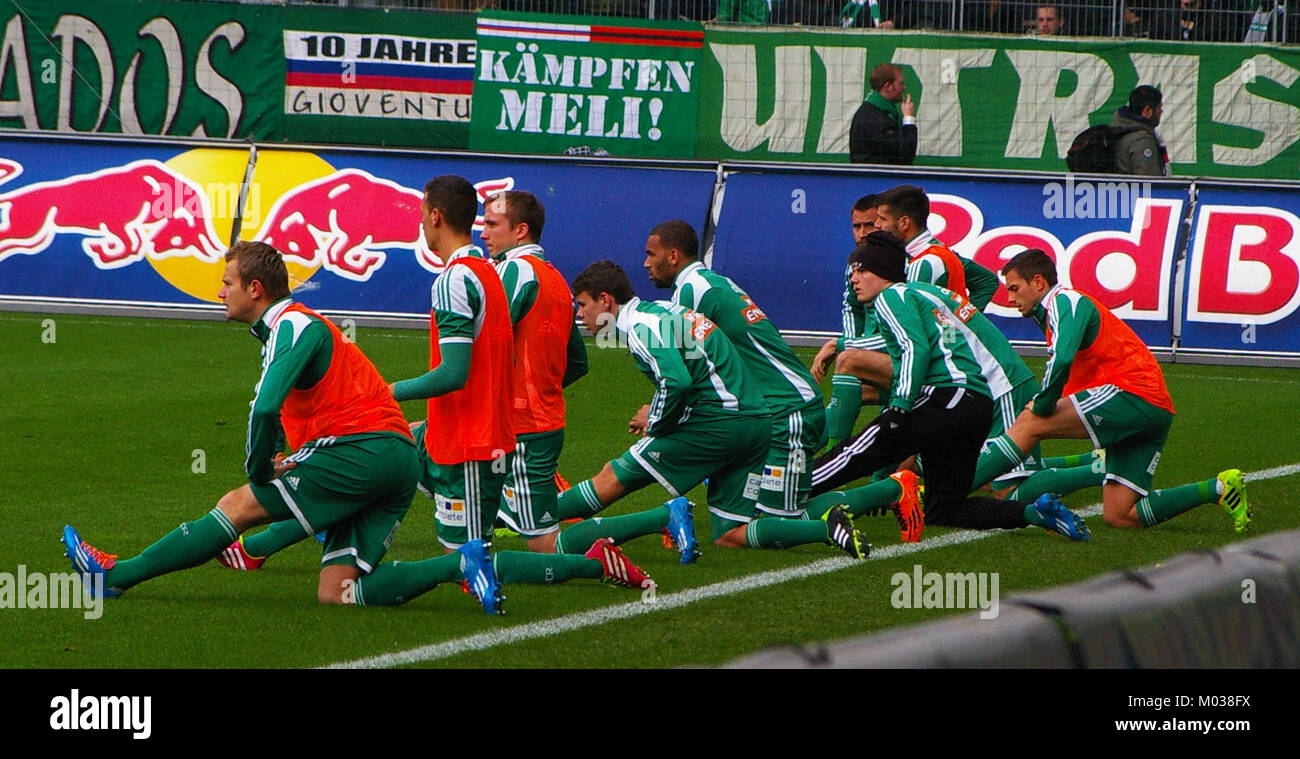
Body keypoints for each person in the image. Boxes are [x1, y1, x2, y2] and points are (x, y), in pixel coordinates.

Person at [62, 241, 502, 611]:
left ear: (255, 289)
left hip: (360, 450)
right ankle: (457, 564)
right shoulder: (298, 325)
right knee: (338, 592)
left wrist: (259, 473)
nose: (220, 293)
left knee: (237, 504)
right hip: (396, 459)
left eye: (227, 283)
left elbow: (265, 407)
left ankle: (115, 576)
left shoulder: (291, 324)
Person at [553, 261, 869, 560]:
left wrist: (657, 423)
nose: (581, 315)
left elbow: (675, 381)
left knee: (613, 477)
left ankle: (529, 519)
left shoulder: (639, 324)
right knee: (728, 534)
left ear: (605, 300)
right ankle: (826, 527)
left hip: (719, 424)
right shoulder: (664, 310)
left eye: (582, 304)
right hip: (757, 423)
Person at [808, 235, 1093, 542]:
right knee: (944, 508)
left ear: (884, 272)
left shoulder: (893, 296)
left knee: (857, 451)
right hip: (976, 404)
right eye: (853, 272)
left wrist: (899, 405)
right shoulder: (927, 295)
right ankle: (1032, 513)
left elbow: (912, 348)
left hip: (948, 397)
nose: (854, 278)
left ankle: (788, 493)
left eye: (862, 271)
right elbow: (940, 343)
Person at [973, 248, 1252, 533]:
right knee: (1121, 514)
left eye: (1014, 288)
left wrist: (1044, 402)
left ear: (1039, 282)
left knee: (1030, 422)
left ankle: (947, 491)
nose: (1009, 298)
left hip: (1131, 393)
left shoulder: (1063, 300)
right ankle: (1217, 488)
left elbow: (1063, 357)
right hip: (1154, 408)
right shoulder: (1056, 310)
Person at [644, 220, 827, 520]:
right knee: (746, 519)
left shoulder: (691, 292)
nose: (646, 263)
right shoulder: (710, 282)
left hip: (786, 412)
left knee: (777, 524)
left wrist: (656, 414)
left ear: (673, 256)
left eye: (651, 254)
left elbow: (687, 374)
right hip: (774, 410)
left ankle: (891, 492)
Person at [873, 184, 1001, 310]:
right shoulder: (910, 254)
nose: (877, 224)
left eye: (883, 219)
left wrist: (967, 321)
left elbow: (987, 281)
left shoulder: (934, 258)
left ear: (904, 223)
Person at [849, 64, 917, 165]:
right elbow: (906, 154)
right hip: (874, 179)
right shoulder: (872, 118)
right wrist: (909, 119)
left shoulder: (879, 111)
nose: (904, 87)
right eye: (901, 84)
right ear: (888, 86)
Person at [1111, 85, 1169, 177]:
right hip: (1132, 191)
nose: (1161, 112)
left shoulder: (1117, 129)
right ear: (1147, 111)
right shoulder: (1142, 141)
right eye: (1159, 107)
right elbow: (1150, 183)